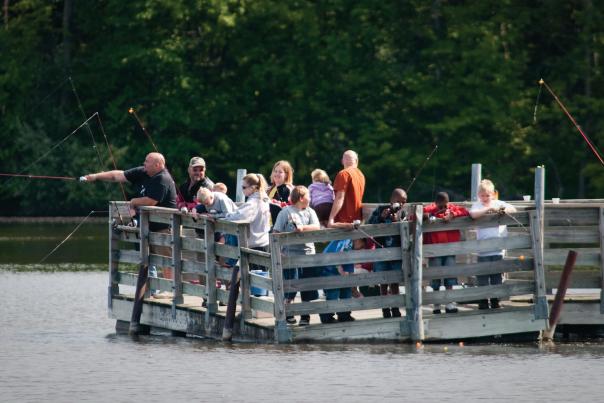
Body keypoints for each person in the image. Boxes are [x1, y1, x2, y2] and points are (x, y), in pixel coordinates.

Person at [82, 152, 177, 280]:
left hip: (164, 227)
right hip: (145, 227)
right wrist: (95, 176)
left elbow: (151, 201)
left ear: (158, 164)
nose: (144, 164)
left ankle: (169, 291)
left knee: (166, 261)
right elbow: (117, 176)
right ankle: (150, 291)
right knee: (146, 259)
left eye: (147, 161)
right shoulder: (142, 172)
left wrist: (133, 202)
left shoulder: (163, 178)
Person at [320, 150, 366, 323]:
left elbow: (340, 197)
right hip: (354, 226)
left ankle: (328, 313)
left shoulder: (343, 173)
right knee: (347, 269)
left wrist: (331, 219)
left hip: (342, 227)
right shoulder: (360, 175)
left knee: (329, 265)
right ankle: (345, 313)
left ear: (342, 160)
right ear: (357, 161)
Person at [272, 186, 321, 326]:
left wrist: (302, 228)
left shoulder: (311, 211)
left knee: (307, 287)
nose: (310, 199)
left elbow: (317, 226)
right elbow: (276, 231)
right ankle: (289, 312)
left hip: (308, 254)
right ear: (301, 198)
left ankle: (305, 316)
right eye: (308, 196)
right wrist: (279, 251)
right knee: (290, 286)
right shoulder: (285, 212)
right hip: (290, 255)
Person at [469, 179, 517, 310]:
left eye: (487, 195)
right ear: (479, 195)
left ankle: (496, 300)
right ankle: (483, 300)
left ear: (493, 194)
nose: (485, 198)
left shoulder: (498, 202)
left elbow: (513, 209)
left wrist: (502, 209)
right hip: (483, 249)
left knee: (496, 276)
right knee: (483, 277)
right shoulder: (478, 205)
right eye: (482, 195)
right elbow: (472, 215)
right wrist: (488, 209)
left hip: (498, 249)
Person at [423, 191, 469, 314]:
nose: (443, 209)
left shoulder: (451, 209)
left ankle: (449, 303)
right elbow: (416, 215)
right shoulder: (430, 209)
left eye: (445, 206)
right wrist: (427, 216)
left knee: (450, 276)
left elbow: (465, 211)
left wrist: (452, 214)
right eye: (440, 206)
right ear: (436, 203)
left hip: (449, 249)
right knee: (435, 277)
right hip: (434, 251)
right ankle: (436, 305)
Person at [367, 188, 407, 318]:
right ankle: (385, 308)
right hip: (381, 251)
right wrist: (381, 217)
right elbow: (369, 225)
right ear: (391, 200)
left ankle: (395, 308)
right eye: (398, 201)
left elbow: (405, 232)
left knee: (394, 282)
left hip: (395, 253)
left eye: (403, 202)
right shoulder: (380, 209)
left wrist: (398, 222)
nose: (400, 205)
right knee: (382, 281)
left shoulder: (402, 213)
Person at [222, 173, 271, 265]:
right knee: (260, 276)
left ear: (253, 187)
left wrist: (227, 215)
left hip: (254, 245)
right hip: (263, 242)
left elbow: (240, 216)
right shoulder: (264, 199)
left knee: (253, 277)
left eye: (244, 187)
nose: (242, 189)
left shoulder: (253, 202)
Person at [267, 160, 295, 225]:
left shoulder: (286, 188)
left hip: (281, 226)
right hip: (269, 224)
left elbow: (283, 207)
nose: (277, 174)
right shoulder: (271, 189)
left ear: (286, 175)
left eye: (280, 172)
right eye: (275, 171)